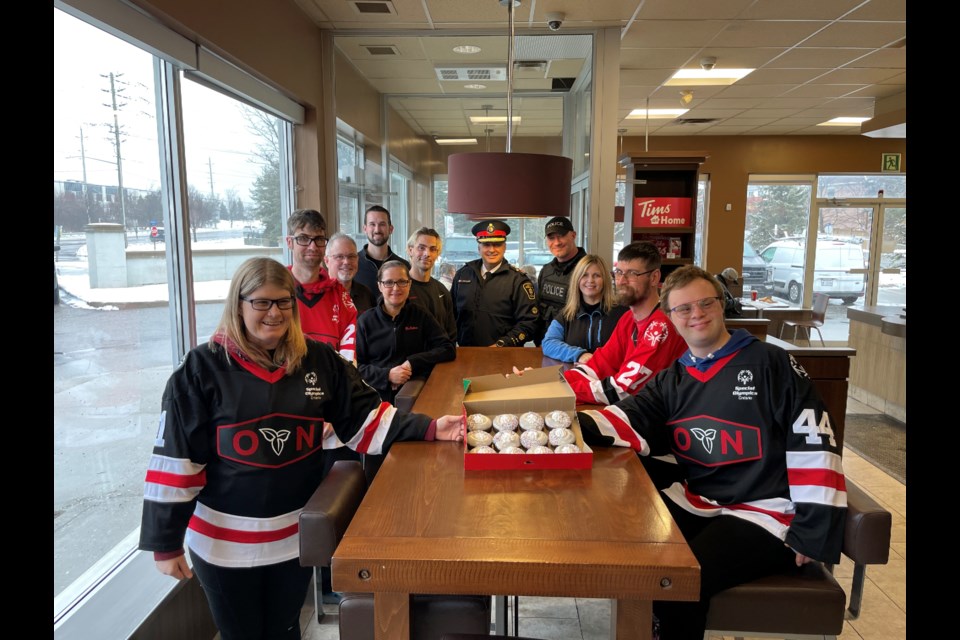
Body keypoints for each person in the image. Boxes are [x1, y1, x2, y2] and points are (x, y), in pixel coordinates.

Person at [138, 257, 464, 640]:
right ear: (237, 304)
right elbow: (176, 459)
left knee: (285, 628)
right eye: (261, 302)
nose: (274, 313)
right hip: (222, 545)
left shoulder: (317, 359)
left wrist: (429, 427)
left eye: (284, 301)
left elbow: (364, 418)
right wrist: (164, 542)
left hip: (292, 539)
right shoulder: (201, 368)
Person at [576, 265, 847, 640]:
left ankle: (668, 624)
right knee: (627, 539)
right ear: (671, 318)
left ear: (722, 306)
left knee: (681, 579)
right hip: (702, 502)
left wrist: (814, 529)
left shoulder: (771, 363)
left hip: (768, 515)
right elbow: (620, 421)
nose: (696, 314)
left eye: (705, 304)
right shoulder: (676, 376)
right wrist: (539, 426)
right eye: (683, 309)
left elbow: (815, 441)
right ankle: (646, 622)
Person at [562, 241, 687, 405]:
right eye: (619, 272)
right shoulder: (628, 318)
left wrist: (564, 391)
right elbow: (599, 365)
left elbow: (622, 390)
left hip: (662, 420)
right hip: (635, 410)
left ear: (654, 277)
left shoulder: (661, 325)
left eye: (632, 274)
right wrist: (556, 383)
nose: (621, 280)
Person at [357, 260, 456, 404]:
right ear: (379, 286)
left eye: (402, 282)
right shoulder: (365, 321)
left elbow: (448, 349)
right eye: (389, 282)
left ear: (409, 285)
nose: (396, 288)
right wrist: (387, 375)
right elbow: (354, 366)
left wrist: (411, 363)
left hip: (415, 392)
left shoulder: (421, 315)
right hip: (375, 398)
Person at [451, 220, 539, 347]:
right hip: (466, 353)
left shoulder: (518, 280)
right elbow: (451, 315)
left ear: (504, 247)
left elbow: (529, 322)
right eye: (486, 244)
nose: (492, 250)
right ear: (478, 247)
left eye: (497, 244)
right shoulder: (463, 275)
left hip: (504, 355)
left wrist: (502, 344)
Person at [285, 209, 358, 362]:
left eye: (319, 239)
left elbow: (348, 360)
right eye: (303, 238)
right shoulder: (276, 289)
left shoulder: (340, 296)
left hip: (328, 383)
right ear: (289, 242)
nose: (312, 247)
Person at [541, 254, 628, 363]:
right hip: (575, 377)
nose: (590, 280)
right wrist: (579, 355)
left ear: (605, 280)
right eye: (584, 275)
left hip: (611, 377)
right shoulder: (567, 314)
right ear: (577, 279)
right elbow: (548, 343)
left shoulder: (622, 313)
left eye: (596, 275)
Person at [535, 216, 587, 345]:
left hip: (576, 348)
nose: (557, 242)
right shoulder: (546, 271)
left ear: (573, 235)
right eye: (551, 238)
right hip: (545, 345)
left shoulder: (589, 270)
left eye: (562, 235)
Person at [405, 227, 457, 341]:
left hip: (440, 357)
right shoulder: (399, 288)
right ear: (410, 250)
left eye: (433, 249)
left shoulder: (442, 290)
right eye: (421, 248)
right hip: (407, 359)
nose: (427, 253)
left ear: (437, 254)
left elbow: (451, 335)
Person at [355, 205, 410, 293]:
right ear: (365, 229)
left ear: (391, 229)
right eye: (372, 224)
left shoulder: (404, 266)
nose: (377, 230)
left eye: (382, 224)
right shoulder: (353, 264)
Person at [324, 232, 376, 315]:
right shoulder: (317, 295)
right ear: (326, 261)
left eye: (351, 256)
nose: (346, 262)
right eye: (339, 257)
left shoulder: (366, 294)